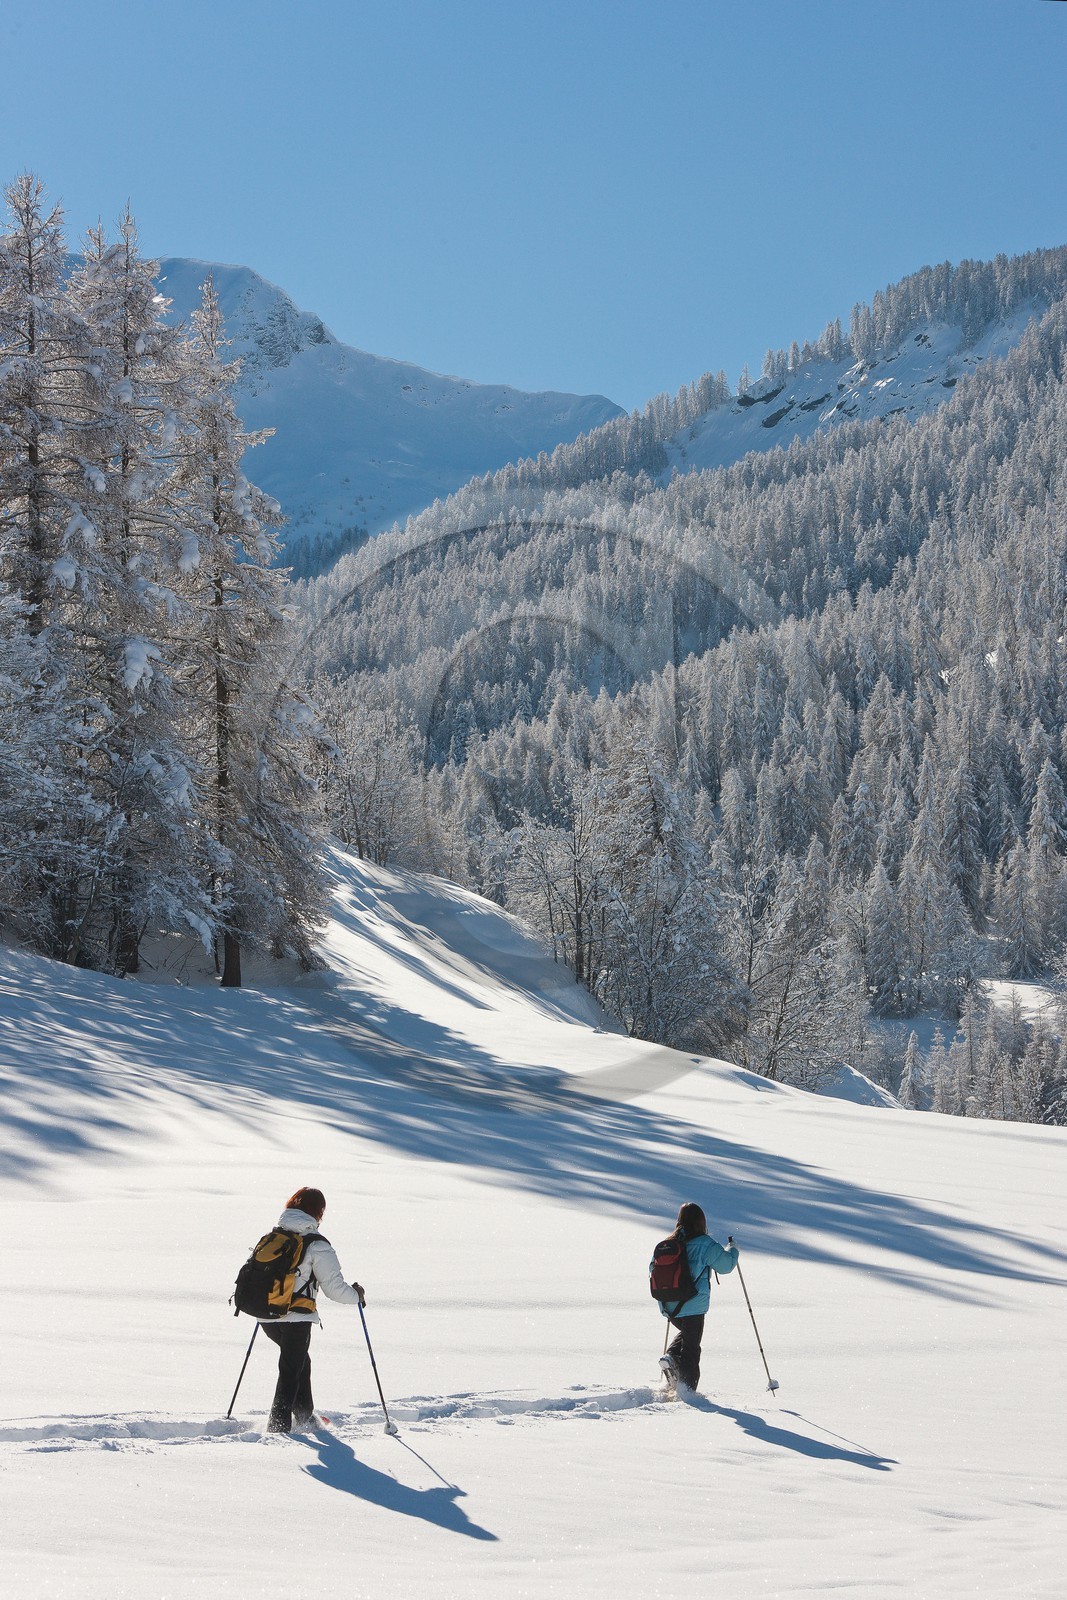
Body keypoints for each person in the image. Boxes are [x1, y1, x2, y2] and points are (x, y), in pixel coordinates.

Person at [261, 1186, 365, 1434]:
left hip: (266, 1314)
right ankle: (278, 1428)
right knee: (290, 1369)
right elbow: (334, 1289)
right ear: (318, 1212)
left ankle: (305, 1416)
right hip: (296, 1317)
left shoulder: (274, 1236)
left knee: (298, 1362)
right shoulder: (317, 1244)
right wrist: (357, 1296)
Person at [653, 1202, 737, 1393]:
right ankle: (687, 1390)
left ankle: (671, 1359)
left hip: (668, 1304)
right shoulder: (705, 1244)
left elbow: (653, 1268)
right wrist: (733, 1249)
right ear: (701, 1222)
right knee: (691, 1348)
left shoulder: (668, 1243)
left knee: (688, 1335)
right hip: (693, 1304)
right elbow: (725, 1266)